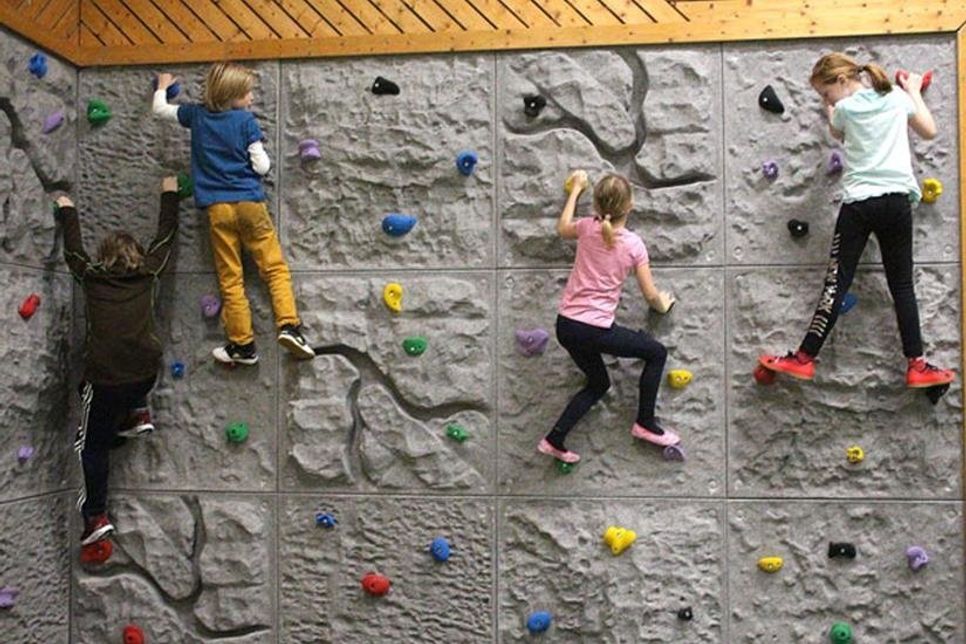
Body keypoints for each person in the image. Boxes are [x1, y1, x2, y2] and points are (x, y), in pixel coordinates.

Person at [758, 53, 955, 389]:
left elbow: (837, 132)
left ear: (841, 81)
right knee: (902, 285)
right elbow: (929, 130)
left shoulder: (845, 110)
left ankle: (804, 358)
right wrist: (913, 90)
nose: (827, 100)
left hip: (860, 205)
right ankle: (917, 364)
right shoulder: (897, 98)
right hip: (896, 202)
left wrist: (830, 109)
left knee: (837, 284)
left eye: (826, 93)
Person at [152, 63, 314, 365]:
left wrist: (162, 86)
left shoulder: (197, 115)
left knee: (231, 278)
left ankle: (243, 345)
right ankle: (289, 327)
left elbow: (160, 111)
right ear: (232, 95)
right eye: (246, 93)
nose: (251, 97)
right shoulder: (245, 121)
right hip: (250, 205)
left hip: (217, 209)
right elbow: (262, 166)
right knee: (274, 268)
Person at [57, 177, 179, 547]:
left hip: (106, 379)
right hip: (144, 375)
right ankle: (137, 412)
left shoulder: (91, 276)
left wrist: (67, 209)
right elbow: (165, 236)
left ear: (104, 257)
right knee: (132, 357)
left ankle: (95, 516)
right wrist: (170, 193)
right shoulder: (149, 271)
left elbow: (74, 251)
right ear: (137, 255)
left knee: (90, 445)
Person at [537, 171, 677, 464]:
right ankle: (645, 423)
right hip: (595, 329)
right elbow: (650, 294)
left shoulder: (587, 227)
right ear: (631, 206)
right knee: (656, 353)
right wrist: (662, 306)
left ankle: (553, 440)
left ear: (596, 206)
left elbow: (562, 228)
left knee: (598, 384)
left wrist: (575, 191)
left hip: (566, 326)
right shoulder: (634, 245)